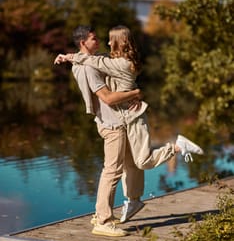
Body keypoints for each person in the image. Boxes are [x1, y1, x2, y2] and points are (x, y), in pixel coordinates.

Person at [55, 25, 204, 172]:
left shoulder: (121, 64)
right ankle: (133, 197)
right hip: (128, 115)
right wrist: (136, 93)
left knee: (142, 162)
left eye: (110, 40)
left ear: (120, 42)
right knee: (132, 162)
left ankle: (177, 146)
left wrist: (69, 57)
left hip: (134, 116)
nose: (107, 43)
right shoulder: (122, 61)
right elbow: (98, 60)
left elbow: (96, 62)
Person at [55, 25, 145, 237]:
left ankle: (114, 208)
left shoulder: (88, 59)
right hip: (112, 123)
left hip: (116, 119)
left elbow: (107, 60)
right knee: (112, 171)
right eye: (93, 39)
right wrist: (135, 93)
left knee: (129, 164)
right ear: (82, 42)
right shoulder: (88, 68)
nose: (98, 41)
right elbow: (107, 97)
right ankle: (103, 221)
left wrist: (66, 57)